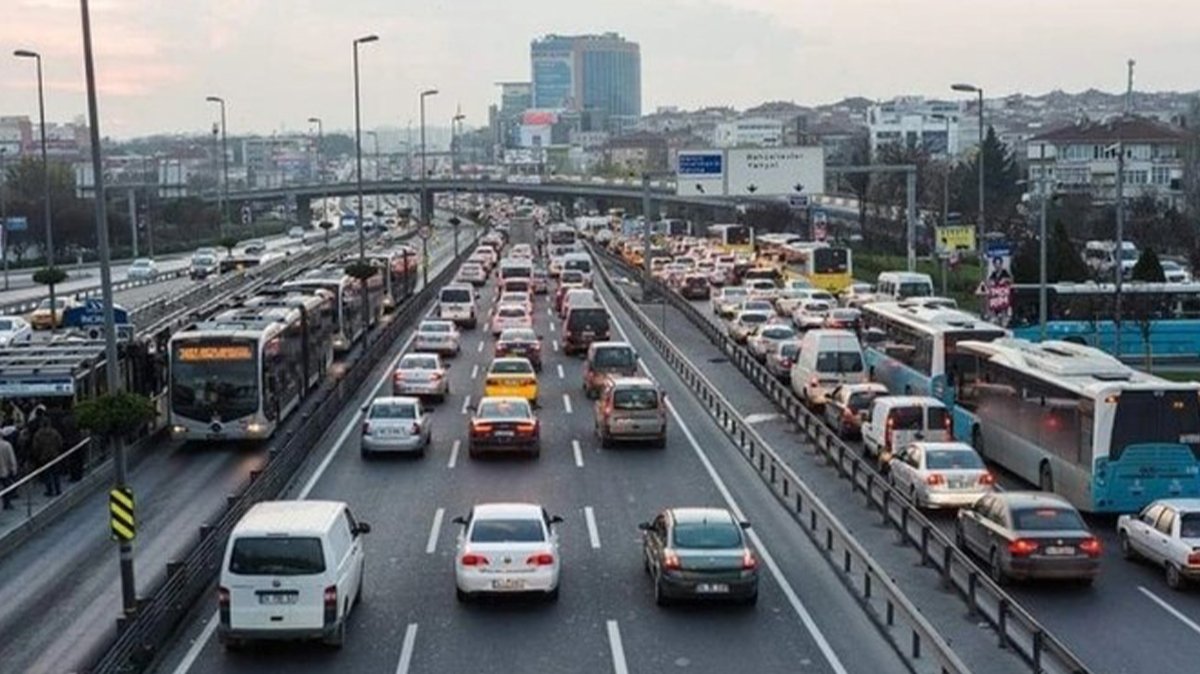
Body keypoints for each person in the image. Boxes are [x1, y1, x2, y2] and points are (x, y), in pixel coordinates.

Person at [31, 419, 64, 498]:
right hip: (54, 455)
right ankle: (58, 489)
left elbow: (35, 447)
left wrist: (38, 454)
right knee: (56, 474)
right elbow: (60, 443)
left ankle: (49, 490)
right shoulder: (55, 432)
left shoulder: (38, 434)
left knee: (47, 474)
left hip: (44, 456)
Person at [0, 428, 18, 509]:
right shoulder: (7, 445)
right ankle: (7, 503)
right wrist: (14, 469)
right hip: (4, 471)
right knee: (6, 487)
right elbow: (12, 458)